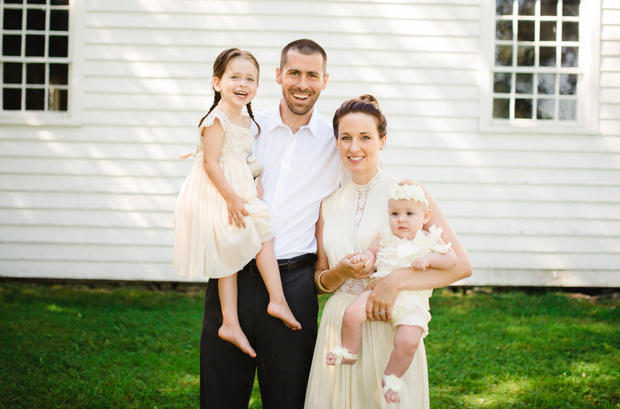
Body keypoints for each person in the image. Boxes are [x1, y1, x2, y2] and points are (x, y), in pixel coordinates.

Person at [199, 39, 343, 409]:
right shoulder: (246, 125)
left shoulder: (335, 142)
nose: (302, 83)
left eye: (312, 75)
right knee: (220, 398)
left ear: (325, 80)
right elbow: (209, 170)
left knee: (289, 399)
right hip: (232, 276)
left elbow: (363, 180)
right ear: (279, 75)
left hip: (294, 285)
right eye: (294, 73)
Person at [303, 95, 471, 409]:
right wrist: (340, 272)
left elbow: (461, 266)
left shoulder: (407, 194)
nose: (354, 147)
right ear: (336, 143)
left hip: (389, 323)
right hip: (340, 325)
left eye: (365, 137)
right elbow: (319, 282)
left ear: (382, 141)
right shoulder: (327, 204)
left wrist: (395, 281)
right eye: (346, 138)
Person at [174, 48, 301, 359]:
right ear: (217, 82)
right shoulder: (216, 119)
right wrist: (231, 198)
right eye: (235, 77)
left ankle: (258, 309)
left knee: (255, 241)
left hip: (238, 188)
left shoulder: (245, 120)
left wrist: (252, 178)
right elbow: (211, 163)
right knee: (240, 249)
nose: (243, 84)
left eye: (250, 79)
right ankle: (241, 316)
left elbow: (238, 158)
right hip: (221, 193)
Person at [325, 183, 457, 403]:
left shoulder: (429, 238)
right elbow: (371, 252)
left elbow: (452, 259)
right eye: (395, 214)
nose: (401, 219)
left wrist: (430, 259)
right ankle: (349, 350)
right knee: (352, 313)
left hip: (411, 301)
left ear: (425, 216)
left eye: (409, 214)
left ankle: (392, 377)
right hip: (378, 290)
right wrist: (366, 257)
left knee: (408, 341)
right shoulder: (386, 234)